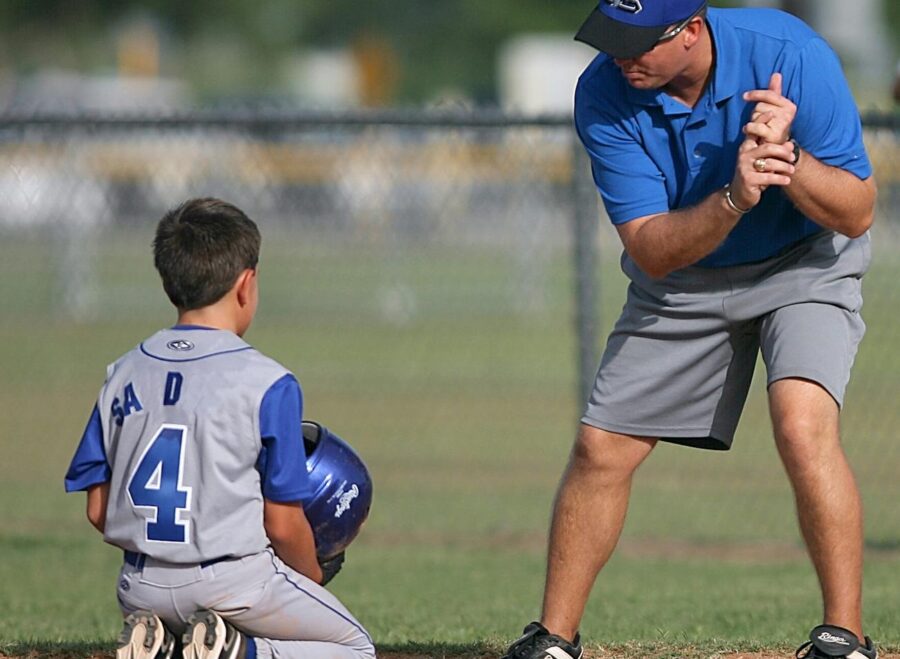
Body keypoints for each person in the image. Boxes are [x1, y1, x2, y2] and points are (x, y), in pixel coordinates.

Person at [503, 2, 878, 659]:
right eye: (612, 39)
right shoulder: (603, 91)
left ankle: (843, 635)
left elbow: (856, 211)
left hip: (804, 262)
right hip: (686, 271)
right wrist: (734, 195)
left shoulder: (789, 54)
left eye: (639, 42)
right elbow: (652, 247)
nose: (623, 57)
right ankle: (554, 639)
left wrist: (784, 160)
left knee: (801, 421)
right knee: (601, 447)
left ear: (693, 30)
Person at [64, 198, 375, 659]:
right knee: (355, 649)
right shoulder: (267, 382)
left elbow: (98, 510)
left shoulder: (123, 373)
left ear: (170, 284)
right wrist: (307, 578)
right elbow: (283, 524)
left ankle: (163, 645)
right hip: (234, 582)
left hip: (139, 586)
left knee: (177, 611)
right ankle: (236, 651)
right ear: (246, 285)